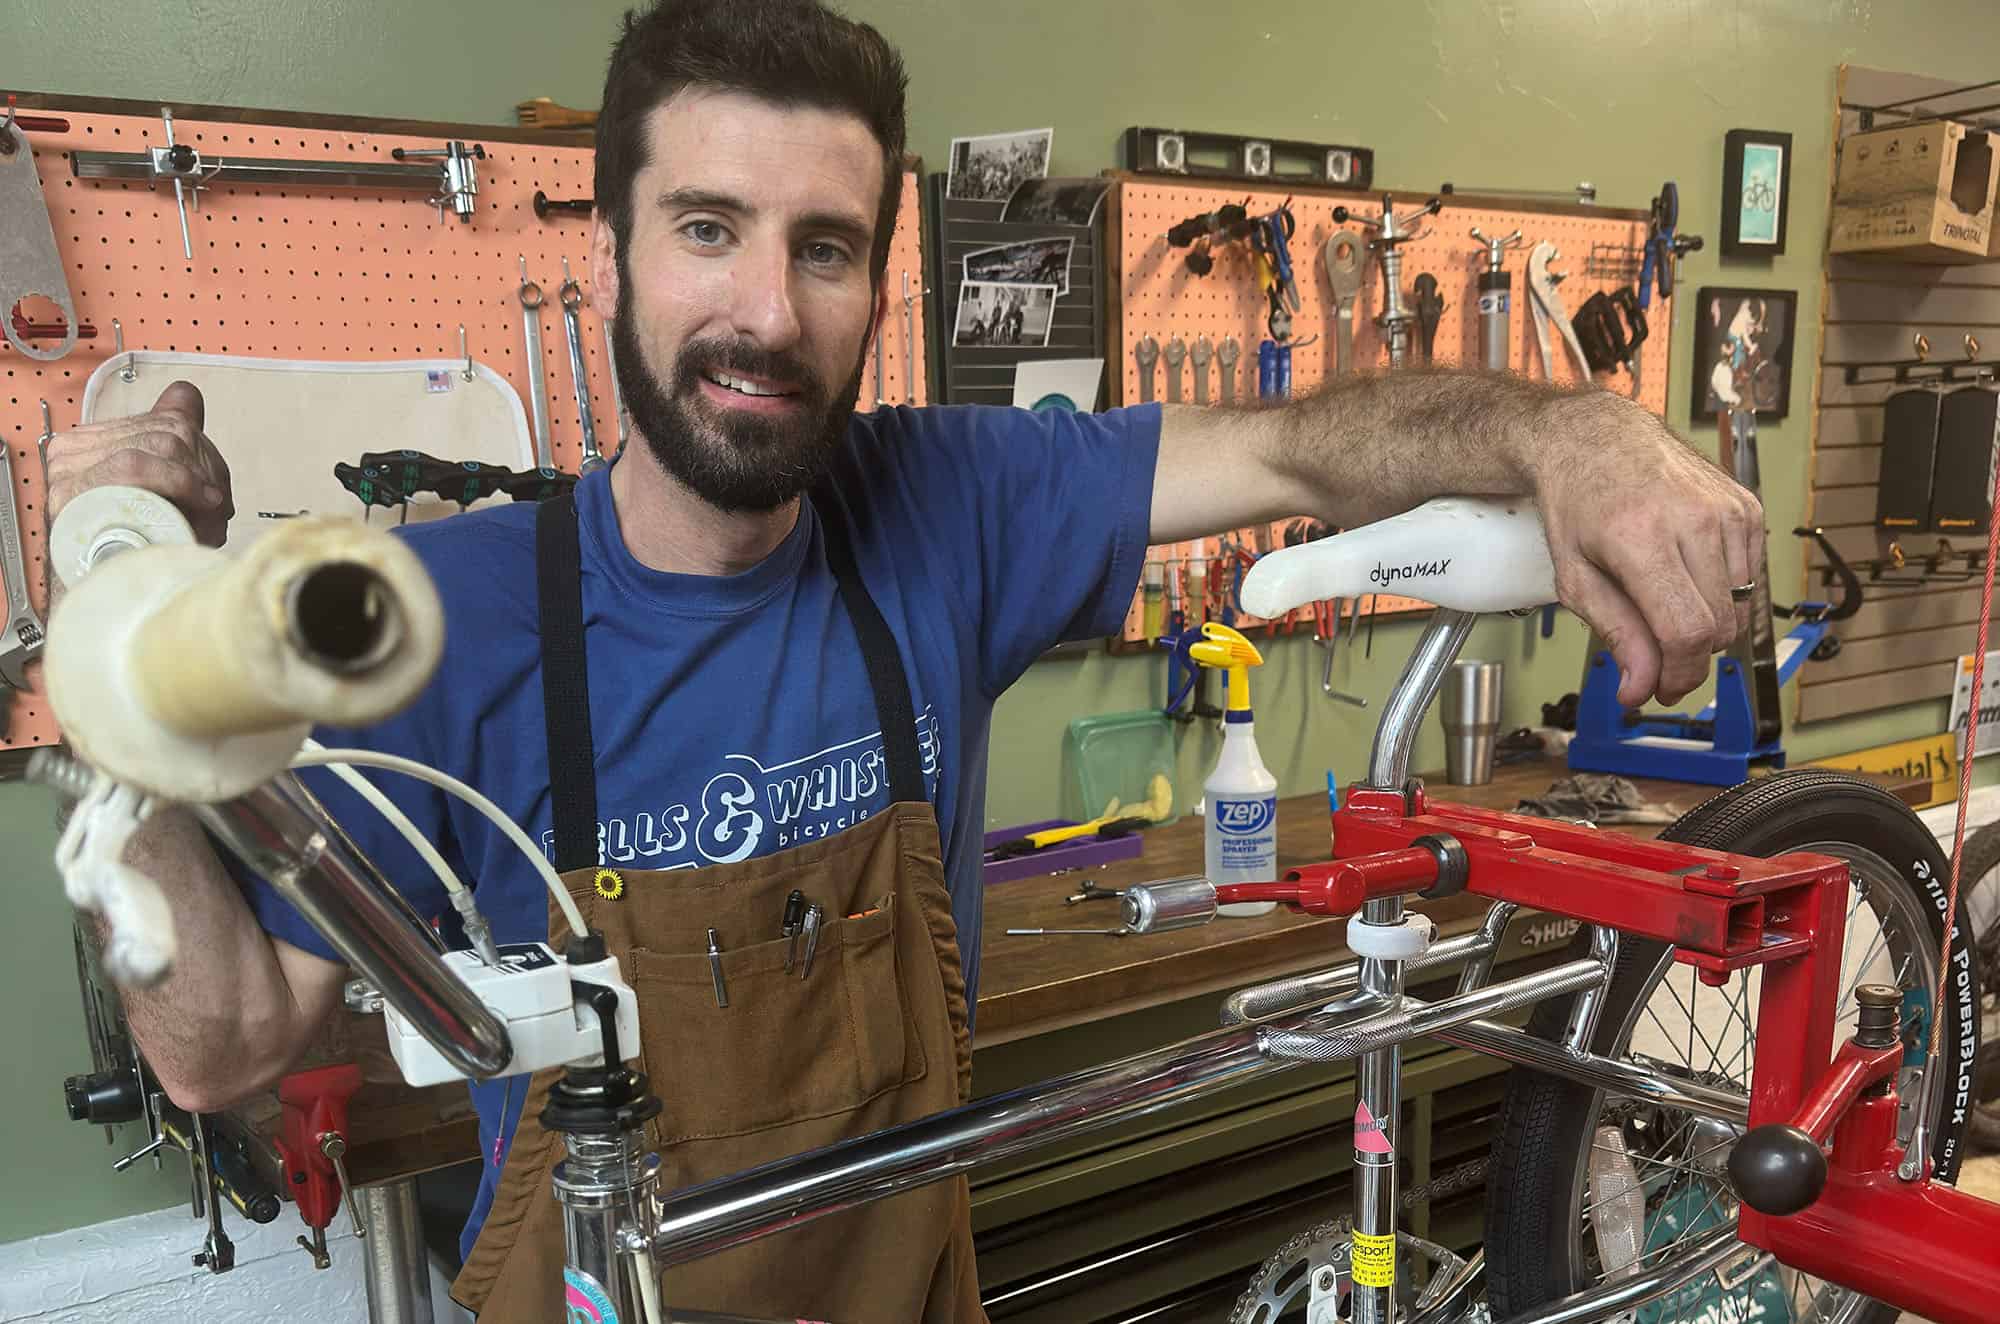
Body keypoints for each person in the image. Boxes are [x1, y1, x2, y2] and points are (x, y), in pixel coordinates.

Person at [41, 1, 1761, 1320]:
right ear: (612, 253)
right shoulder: (443, 616)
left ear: (879, 277)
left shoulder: (949, 504)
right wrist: (132, 672)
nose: (767, 313)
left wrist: (1570, 425)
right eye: (707, 228)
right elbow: (217, 1046)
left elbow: (1312, 449)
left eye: (827, 247)